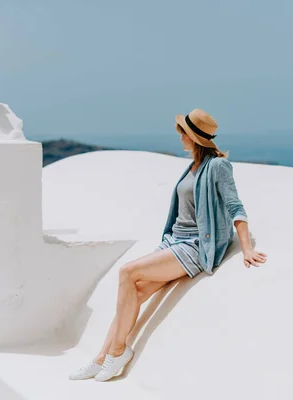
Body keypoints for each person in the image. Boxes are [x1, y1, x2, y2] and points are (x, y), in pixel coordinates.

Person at [69, 108, 268, 382]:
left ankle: (117, 351)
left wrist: (246, 248)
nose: (180, 138)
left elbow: (236, 206)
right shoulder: (193, 166)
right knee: (134, 295)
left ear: (194, 137)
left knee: (127, 272)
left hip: (197, 245)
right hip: (174, 241)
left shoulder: (218, 166)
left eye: (183, 134)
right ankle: (101, 358)